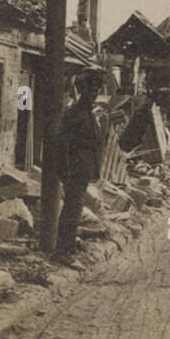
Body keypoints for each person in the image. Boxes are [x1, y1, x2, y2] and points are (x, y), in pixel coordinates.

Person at [55, 69, 104, 259]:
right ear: (82, 91)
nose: (94, 95)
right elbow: (63, 144)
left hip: (84, 169)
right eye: (90, 91)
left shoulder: (89, 114)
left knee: (74, 207)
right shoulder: (74, 114)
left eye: (96, 91)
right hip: (74, 169)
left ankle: (67, 247)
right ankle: (64, 250)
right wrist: (65, 171)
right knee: (72, 208)